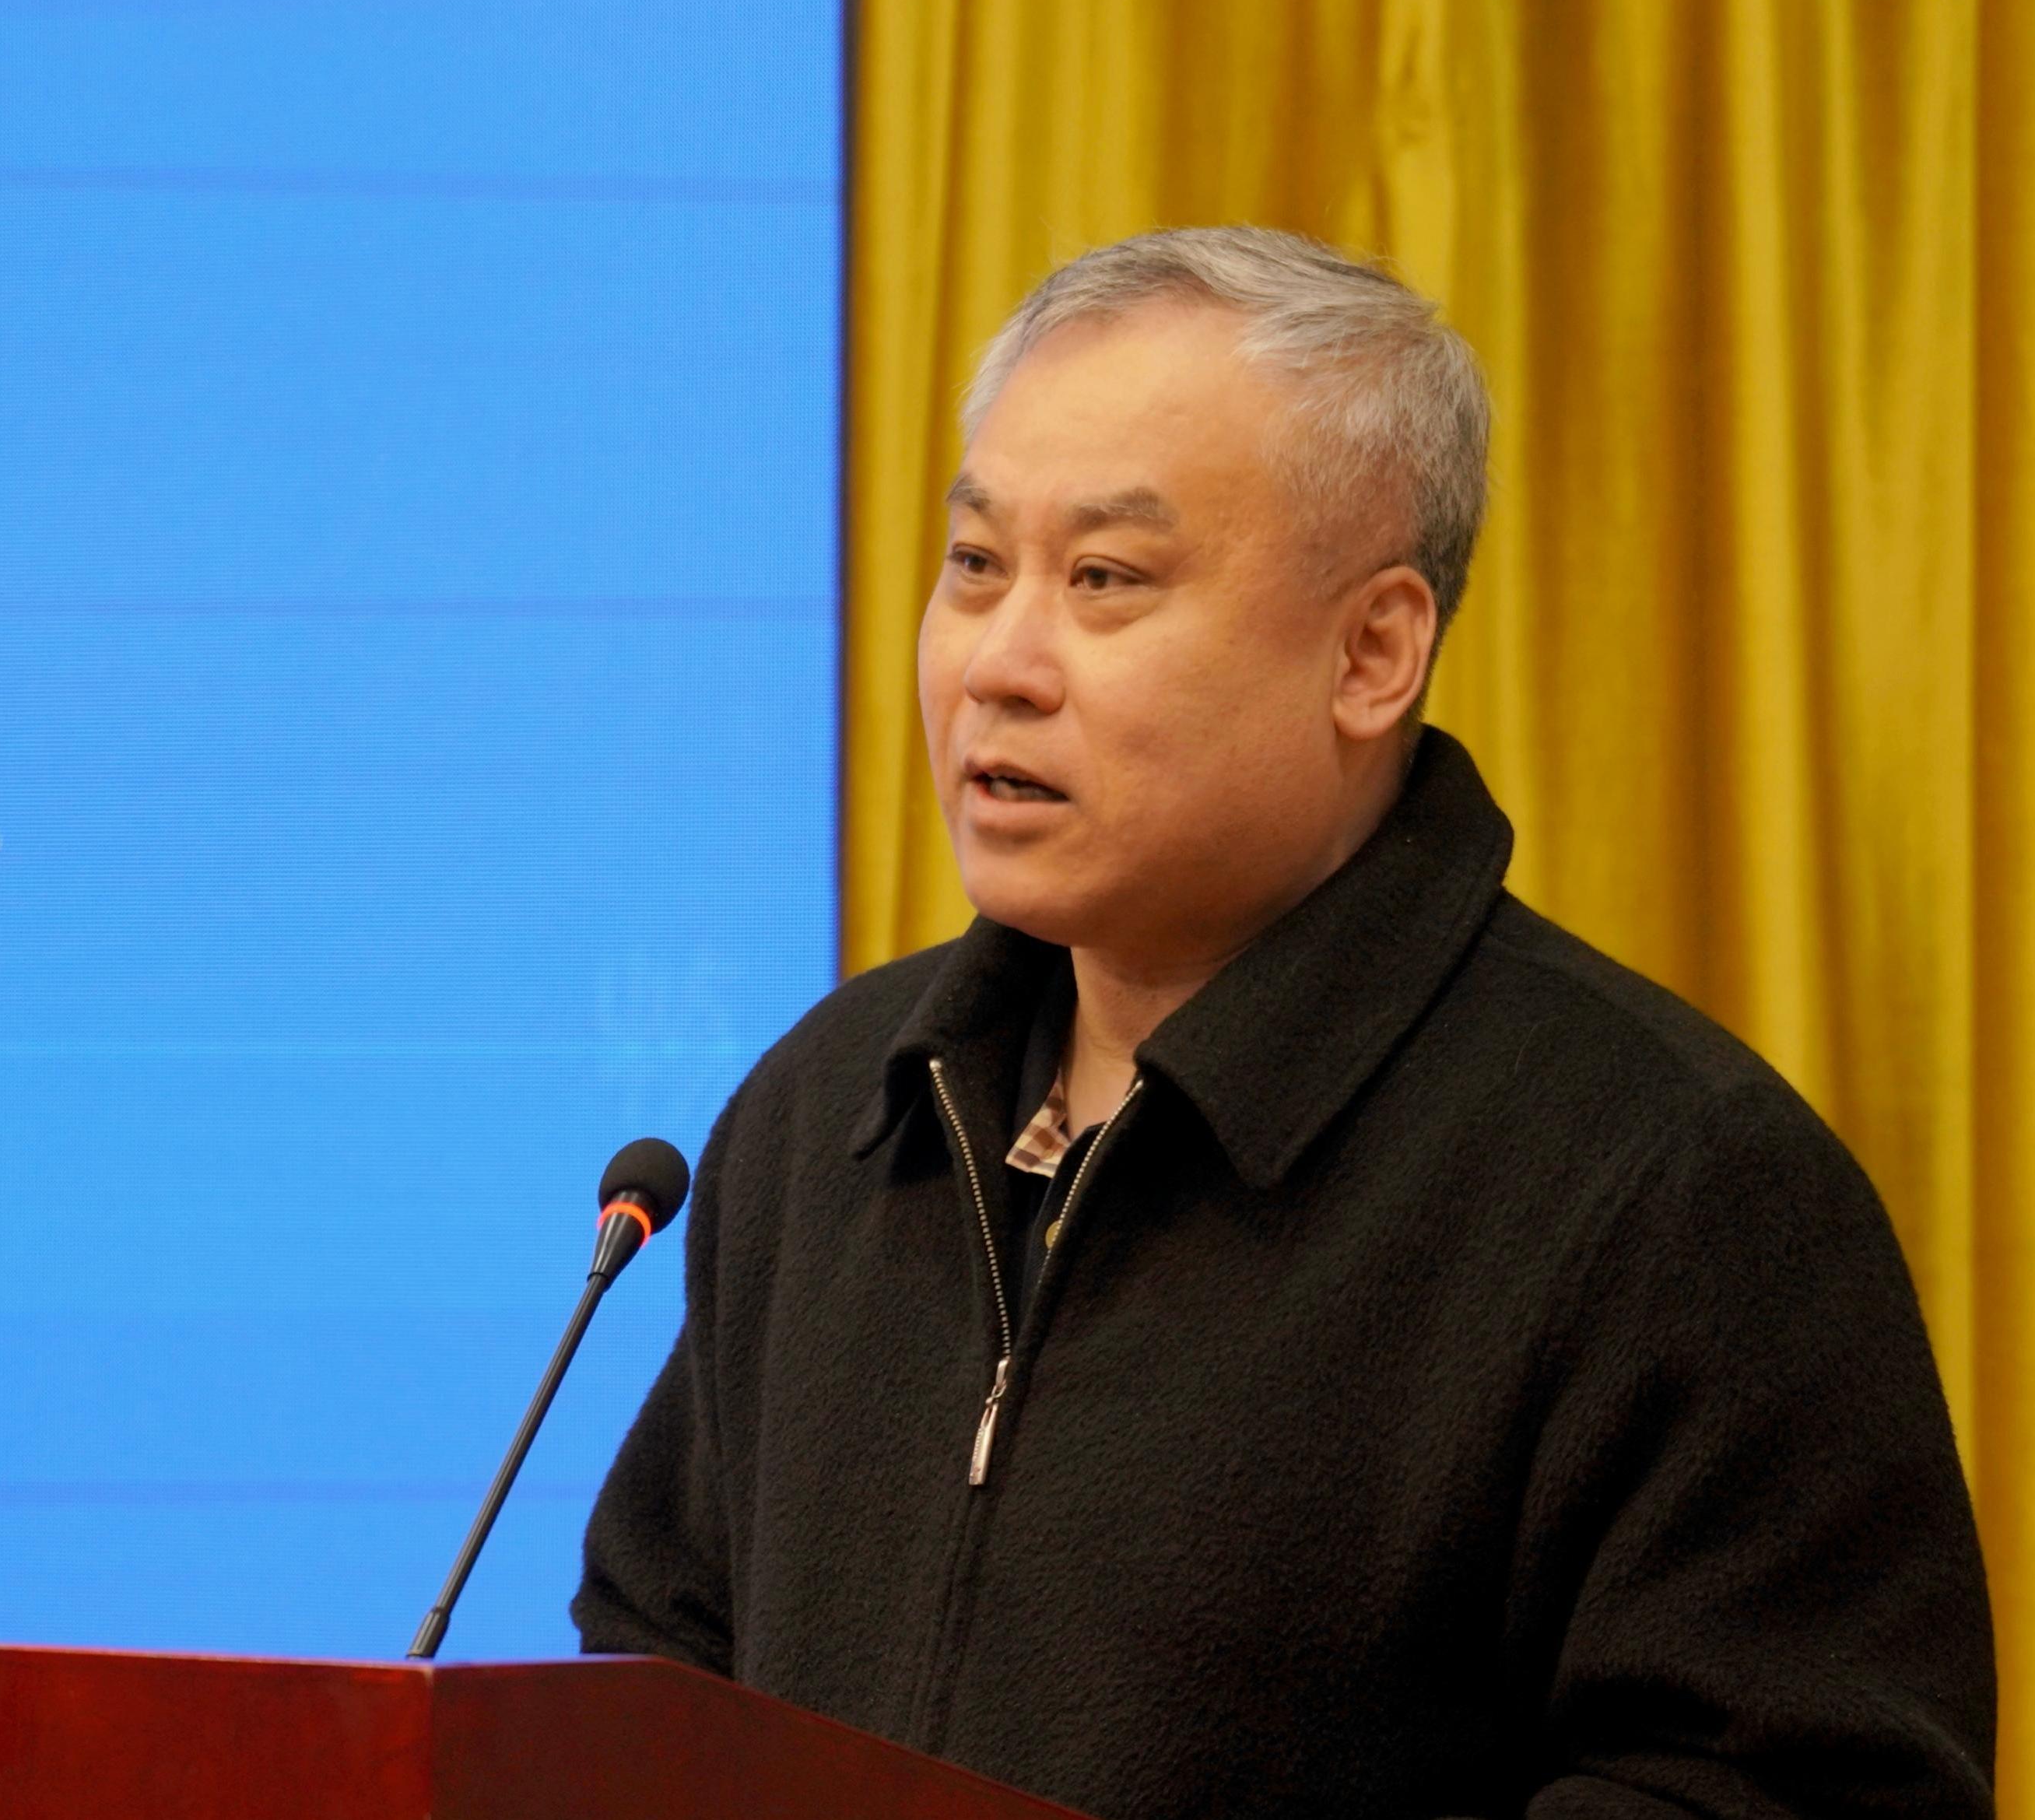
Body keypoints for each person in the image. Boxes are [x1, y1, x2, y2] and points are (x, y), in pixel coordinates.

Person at [572, 226, 1995, 1819]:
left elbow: (1791, 1791)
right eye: (975, 564)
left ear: (1372, 651)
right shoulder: (839, 1104)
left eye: (1104, 580)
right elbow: (656, 1670)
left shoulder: (1673, 1186)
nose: (1000, 664)